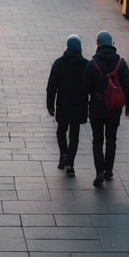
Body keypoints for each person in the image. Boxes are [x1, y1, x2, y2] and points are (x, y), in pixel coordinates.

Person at [81, 30, 129, 187]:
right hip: (114, 108)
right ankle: (109, 171)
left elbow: (84, 87)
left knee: (97, 140)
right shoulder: (121, 63)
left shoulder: (92, 64)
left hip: (97, 108)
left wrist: (89, 100)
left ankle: (99, 171)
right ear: (112, 43)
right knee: (111, 140)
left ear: (98, 43)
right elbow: (128, 85)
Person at [46, 35, 89, 175]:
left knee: (61, 130)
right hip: (79, 104)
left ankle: (63, 155)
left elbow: (51, 86)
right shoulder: (85, 64)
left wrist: (50, 104)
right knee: (74, 135)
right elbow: (91, 86)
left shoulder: (59, 63)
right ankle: (70, 163)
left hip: (63, 104)